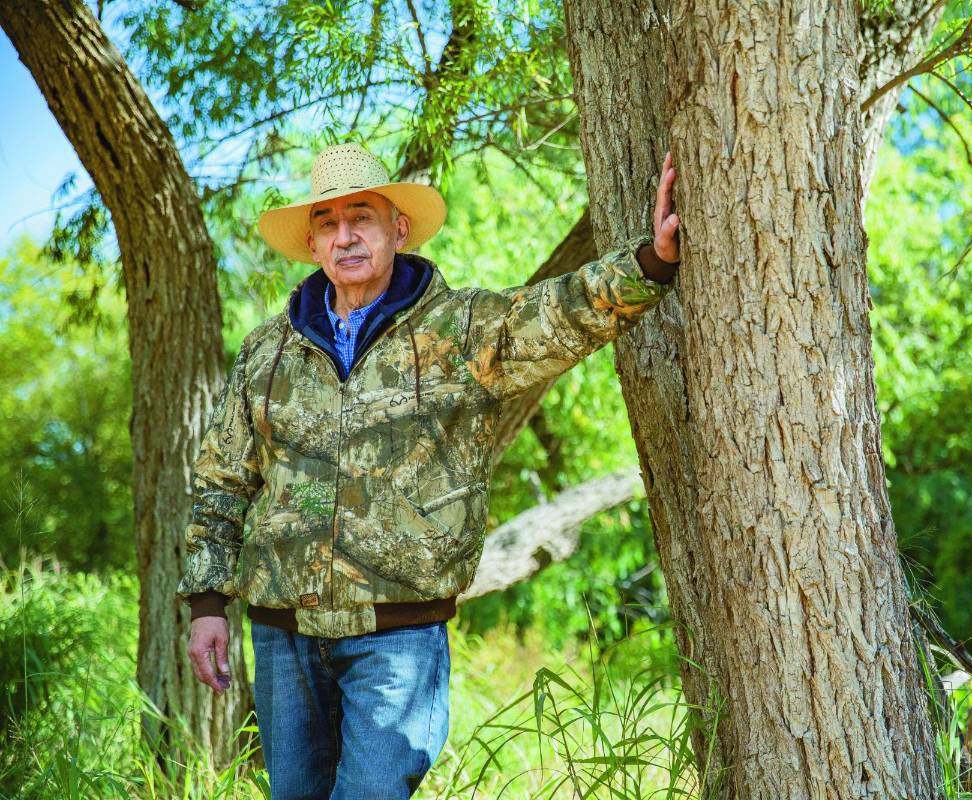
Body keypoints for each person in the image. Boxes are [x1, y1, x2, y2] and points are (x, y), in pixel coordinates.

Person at [176, 141, 682, 799]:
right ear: (312, 243)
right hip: (283, 636)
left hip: (399, 636)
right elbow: (222, 481)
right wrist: (208, 604)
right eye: (328, 223)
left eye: (361, 217)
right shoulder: (266, 351)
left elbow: (561, 312)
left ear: (399, 229)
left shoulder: (460, 328)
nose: (345, 236)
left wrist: (652, 262)